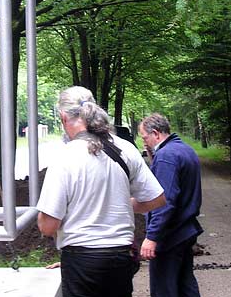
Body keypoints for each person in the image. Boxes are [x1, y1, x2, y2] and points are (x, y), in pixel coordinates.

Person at [36, 86, 165, 297]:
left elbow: (48, 226)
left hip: (82, 261)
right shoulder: (126, 149)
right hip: (121, 257)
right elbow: (157, 199)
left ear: (63, 116)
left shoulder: (65, 157)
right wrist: (124, 203)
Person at [138, 113, 203, 297]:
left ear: (156, 134)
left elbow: (165, 201)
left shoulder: (167, 156)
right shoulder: (186, 150)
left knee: (164, 290)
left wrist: (152, 236)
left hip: (170, 235)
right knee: (185, 285)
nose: (144, 143)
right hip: (185, 231)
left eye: (145, 138)